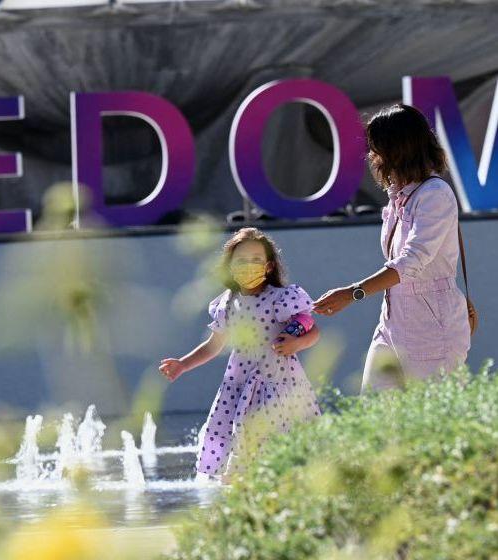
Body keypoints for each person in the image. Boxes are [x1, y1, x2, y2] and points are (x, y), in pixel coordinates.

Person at [313, 104, 471, 391]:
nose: (372, 156)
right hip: (393, 321)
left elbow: (412, 260)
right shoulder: (398, 196)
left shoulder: (434, 194)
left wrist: (353, 293)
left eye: (376, 147)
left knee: (428, 425)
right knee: (373, 418)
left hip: (431, 327)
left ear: (396, 149)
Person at [159, 228, 321, 479]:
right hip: (240, 384)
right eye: (242, 260)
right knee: (239, 440)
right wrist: (183, 364)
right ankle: (240, 488)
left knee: (280, 438)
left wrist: (296, 344)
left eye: (256, 260)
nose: (249, 266)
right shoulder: (226, 303)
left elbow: (312, 330)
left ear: (268, 267)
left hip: (280, 383)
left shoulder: (281, 297)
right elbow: (214, 345)